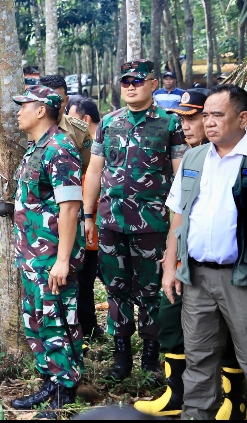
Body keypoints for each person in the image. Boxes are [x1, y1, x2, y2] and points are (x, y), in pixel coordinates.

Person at [134, 87, 245, 419]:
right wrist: (170, 267)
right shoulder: (196, 158)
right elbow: (178, 217)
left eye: (217, 115)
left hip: (239, 278)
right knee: (199, 357)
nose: (208, 123)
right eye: (206, 115)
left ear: (242, 119)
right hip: (195, 275)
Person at [83, 59, 187, 383]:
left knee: (152, 291)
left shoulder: (169, 124)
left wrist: (178, 224)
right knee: (116, 290)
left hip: (152, 226)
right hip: (112, 224)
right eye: (126, 81)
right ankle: (121, 354)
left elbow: (182, 174)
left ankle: (152, 356)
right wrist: (88, 215)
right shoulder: (109, 123)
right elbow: (95, 171)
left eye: (138, 81)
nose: (130, 86)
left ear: (153, 84)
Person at [10, 85, 85, 419]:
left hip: (53, 257)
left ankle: (65, 389)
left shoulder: (59, 148)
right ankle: (48, 380)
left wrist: (63, 260)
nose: (18, 111)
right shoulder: (36, 148)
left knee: (58, 321)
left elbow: (70, 208)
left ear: (42, 110)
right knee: (36, 321)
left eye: (24, 105)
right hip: (32, 257)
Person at [65, 97, 103, 341]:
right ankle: (88, 328)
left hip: (96, 225)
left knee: (86, 279)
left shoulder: (96, 147)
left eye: (72, 118)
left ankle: (89, 328)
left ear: (85, 120)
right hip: (92, 226)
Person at [39, 75, 93, 175]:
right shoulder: (26, 129)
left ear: (67, 101)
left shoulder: (78, 130)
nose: (54, 106)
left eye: (59, 101)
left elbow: (87, 168)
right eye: (48, 101)